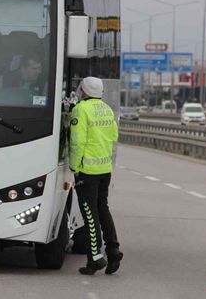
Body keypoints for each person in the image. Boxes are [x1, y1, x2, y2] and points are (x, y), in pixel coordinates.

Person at [69, 76, 122, 275]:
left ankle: (95, 258)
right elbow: (114, 136)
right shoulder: (107, 109)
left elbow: (77, 142)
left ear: (83, 90)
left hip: (87, 171)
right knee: (103, 210)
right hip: (104, 169)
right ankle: (113, 250)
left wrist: (74, 167)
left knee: (89, 215)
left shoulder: (80, 110)